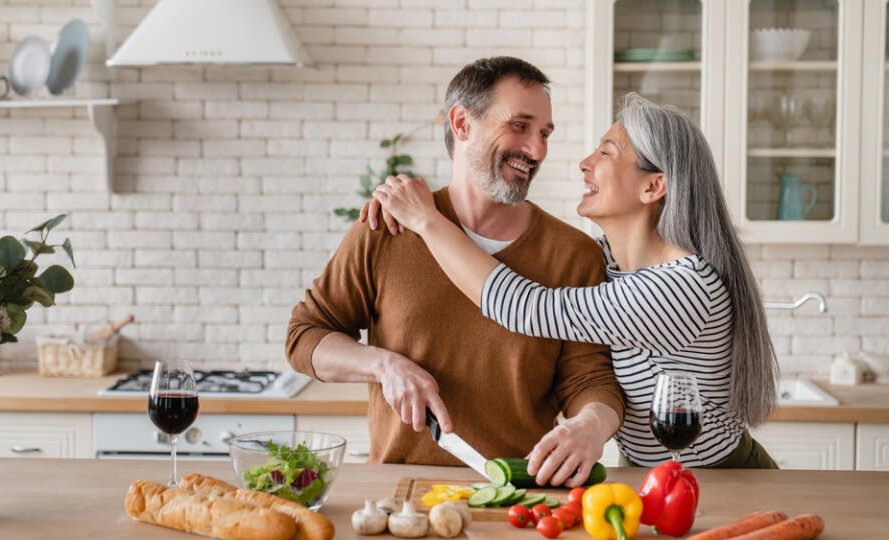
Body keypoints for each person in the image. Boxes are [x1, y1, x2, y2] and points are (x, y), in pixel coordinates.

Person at [369, 93, 779, 468]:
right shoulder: (607, 262)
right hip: (651, 474)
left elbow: (527, 307)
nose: (586, 162)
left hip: (723, 479)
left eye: (607, 152)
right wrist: (402, 206)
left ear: (653, 186)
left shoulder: (682, 287)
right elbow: (536, 268)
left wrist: (425, 220)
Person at [286, 56, 625, 487]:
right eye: (519, 126)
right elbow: (304, 337)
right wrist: (382, 365)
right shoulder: (386, 228)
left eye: (544, 134)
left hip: (518, 502)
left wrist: (592, 425)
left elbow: (590, 378)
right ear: (462, 124)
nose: (537, 151)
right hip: (399, 499)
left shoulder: (573, 254)